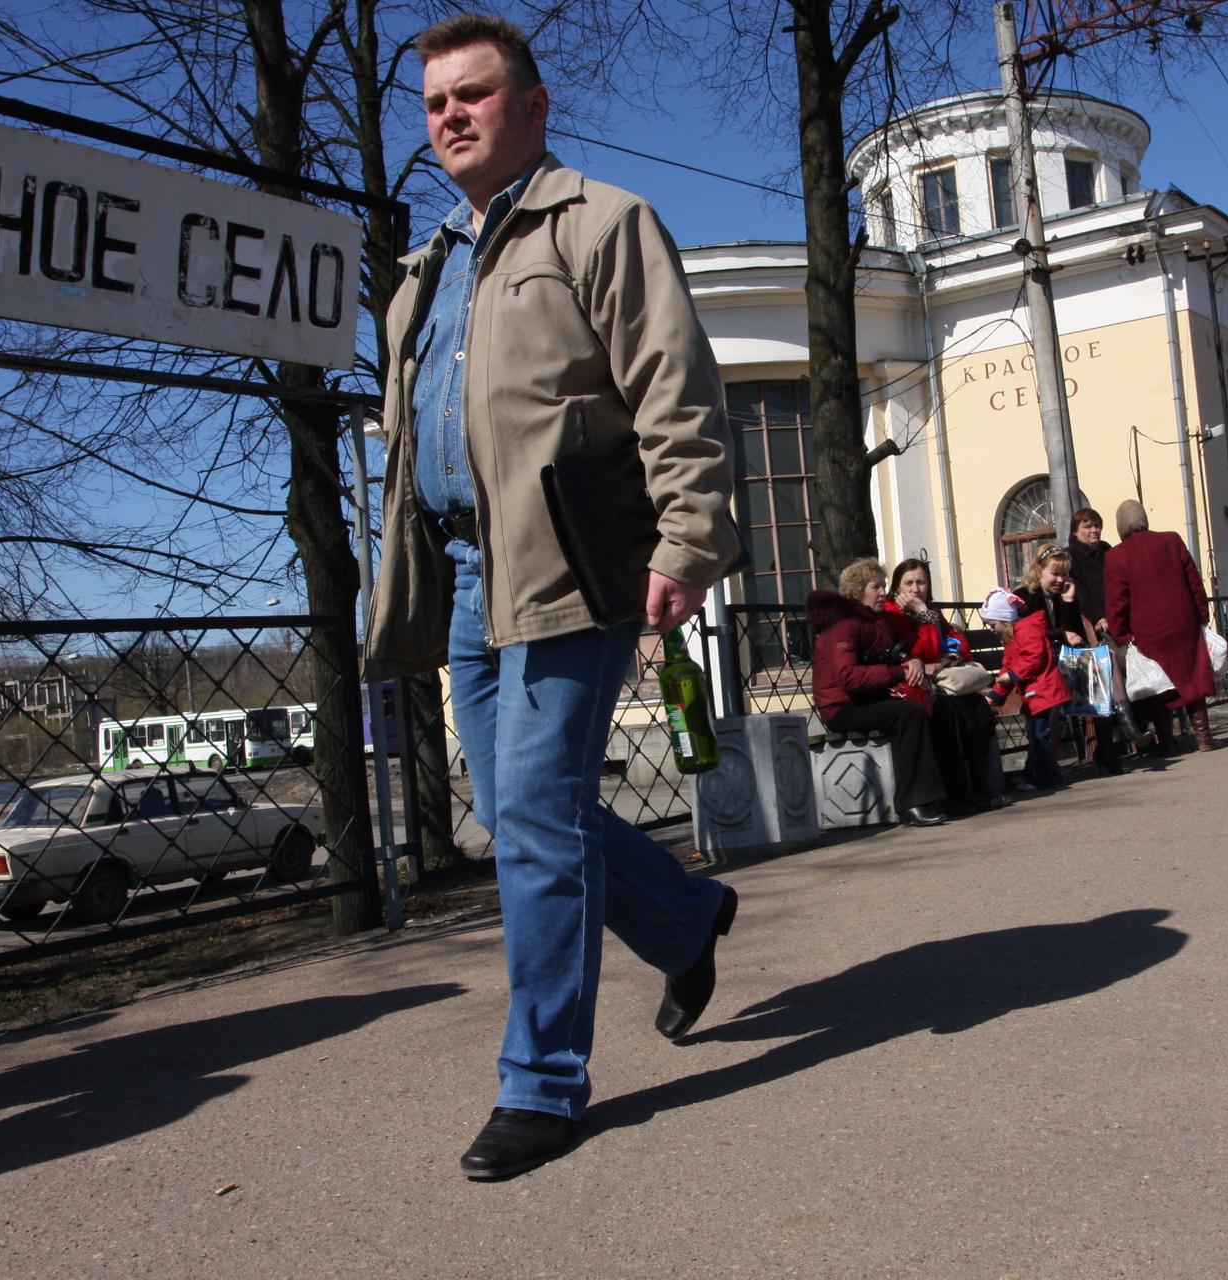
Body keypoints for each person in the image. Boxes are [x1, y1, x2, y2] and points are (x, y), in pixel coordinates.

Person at [363, 15, 740, 1181]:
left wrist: (687, 541)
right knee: (534, 813)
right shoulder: (429, 267)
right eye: (433, 104)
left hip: (574, 562)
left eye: (474, 95)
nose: (451, 117)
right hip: (468, 573)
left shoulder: (601, 221)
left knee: (530, 816)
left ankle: (541, 1082)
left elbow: (673, 387)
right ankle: (682, 921)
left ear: (532, 106)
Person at [806, 559, 951, 828]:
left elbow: (896, 654)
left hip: (869, 699)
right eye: (876, 587)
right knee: (909, 713)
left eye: (884, 586)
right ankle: (912, 802)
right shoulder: (844, 625)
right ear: (857, 591)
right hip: (842, 708)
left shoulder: (878, 622)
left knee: (940, 706)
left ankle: (949, 794)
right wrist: (898, 673)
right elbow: (848, 677)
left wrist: (912, 662)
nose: (884, 592)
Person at [880, 558, 1006, 810]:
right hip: (910, 687)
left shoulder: (932, 613)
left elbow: (960, 644)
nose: (916, 589)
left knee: (977, 707)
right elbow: (918, 649)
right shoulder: (891, 615)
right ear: (896, 588)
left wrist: (943, 661)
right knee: (948, 712)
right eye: (909, 583)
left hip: (937, 679)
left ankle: (980, 787)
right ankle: (955, 793)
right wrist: (922, 615)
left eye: (921, 582)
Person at [1104, 500, 1219, 751]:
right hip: (1183, 621)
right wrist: (1201, 614)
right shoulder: (1171, 540)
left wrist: (1121, 634)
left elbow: (1116, 601)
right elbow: (1194, 581)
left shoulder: (1116, 556)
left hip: (1147, 630)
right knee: (1193, 678)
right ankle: (1204, 737)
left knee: (1158, 685)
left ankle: (1166, 741)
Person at [1061, 510, 1130, 773]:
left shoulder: (1106, 551)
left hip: (1117, 624)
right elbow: (1080, 593)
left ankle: (1131, 731)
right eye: (1088, 526)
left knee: (1129, 662)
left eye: (1097, 526)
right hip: (1090, 631)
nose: (1094, 531)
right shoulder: (1072, 556)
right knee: (1106, 668)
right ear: (1076, 530)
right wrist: (1097, 617)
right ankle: (1114, 739)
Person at [983, 587, 1073, 784]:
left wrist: (1012, 676)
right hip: (1037, 694)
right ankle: (1038, 774)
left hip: (1045, 693)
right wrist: (995, 695)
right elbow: (1007, 666)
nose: (992, 629)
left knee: (1040, 737)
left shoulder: (1027, 631)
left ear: (1005, 619)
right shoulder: (1012, 637)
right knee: (1036, 736)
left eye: (993, 624)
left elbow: (1034, 659)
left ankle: (1046, 777)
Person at [1011, 543, 1084, 785]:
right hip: (1031, 669)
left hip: (1051, 667)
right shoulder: (1024, 597)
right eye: (1055, 573)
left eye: (1064, 574)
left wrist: (1069, 601)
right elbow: (1033, 638)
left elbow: (1074, 632)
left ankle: (1043, 769)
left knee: (1072, 682)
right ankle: (1042, 769)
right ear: (1039, 569)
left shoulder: (1059, 595)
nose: (1060, 579)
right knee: (1054, 699)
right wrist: (1062, 633)